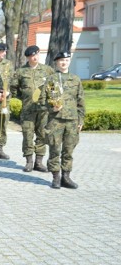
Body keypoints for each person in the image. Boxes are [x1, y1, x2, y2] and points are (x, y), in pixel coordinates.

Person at [40, 51, 85, 189]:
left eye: (66, 60)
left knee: (69, 149)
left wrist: (81, 120)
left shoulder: (75, 79)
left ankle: (66, 176)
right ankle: (56, 177)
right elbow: (42, 100)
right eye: (61, 60)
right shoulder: (51, 79)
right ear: (57, 62)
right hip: (56, 120)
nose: (64, 62)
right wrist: (51, 108)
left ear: (69, 61)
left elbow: (80, 101)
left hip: (72, 120)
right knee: (54, 148)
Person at [10, 45, 55, 172]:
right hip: (28, 109)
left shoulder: (48, 70)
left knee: (42, 134)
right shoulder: (20, 72)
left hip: (44, 110)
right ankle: (29, 162)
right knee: (27, 135)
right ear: (28, 57)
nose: (34, 57)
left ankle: (39, 162)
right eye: (31, 56)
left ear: (39, 54)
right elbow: (14, 88)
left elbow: (53, 87)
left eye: (35, 55)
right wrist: (24, 97)